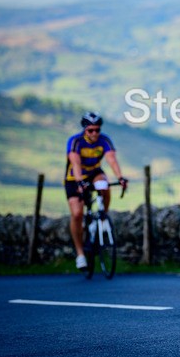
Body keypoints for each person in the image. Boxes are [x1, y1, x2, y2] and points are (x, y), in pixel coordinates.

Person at [64, 112, 127, 271]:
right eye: (91, 130)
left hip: (94, 173)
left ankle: (102, 216)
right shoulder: (76, 142)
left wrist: (120, 177)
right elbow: (75, 163)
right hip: (74, 177)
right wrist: (79, 182)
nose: (94, 133)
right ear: (85, 129)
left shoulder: (104, 140)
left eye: (97, 130)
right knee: (77, 214)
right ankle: (80, 255)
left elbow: (111, 159)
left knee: (104, 186)